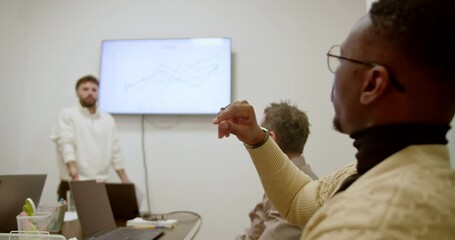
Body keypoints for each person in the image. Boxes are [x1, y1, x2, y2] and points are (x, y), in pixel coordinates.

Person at [214, 0, 455, 239]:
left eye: (342, 61)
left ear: (372, 84)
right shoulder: (378, 170)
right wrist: (258, 138)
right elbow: (298, 198)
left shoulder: (367, 226)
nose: (336, 74)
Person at [236, 101, 318, 240]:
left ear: (271, 139)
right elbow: (254, 234)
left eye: (257, 133)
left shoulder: (297, 193)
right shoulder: (280, 181)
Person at [51, 75, 130, 200]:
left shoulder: (108, 119)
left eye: (94, 90)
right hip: (72, 183)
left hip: (100, 185)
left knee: (103, 220)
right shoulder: (67, 114)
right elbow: (66, 143)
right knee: (69, 219)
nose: (90, 93)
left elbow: (115, 151)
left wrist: (125, 181)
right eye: (85, 89)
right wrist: (73, 169)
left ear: (98, 93)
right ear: (77, 92)